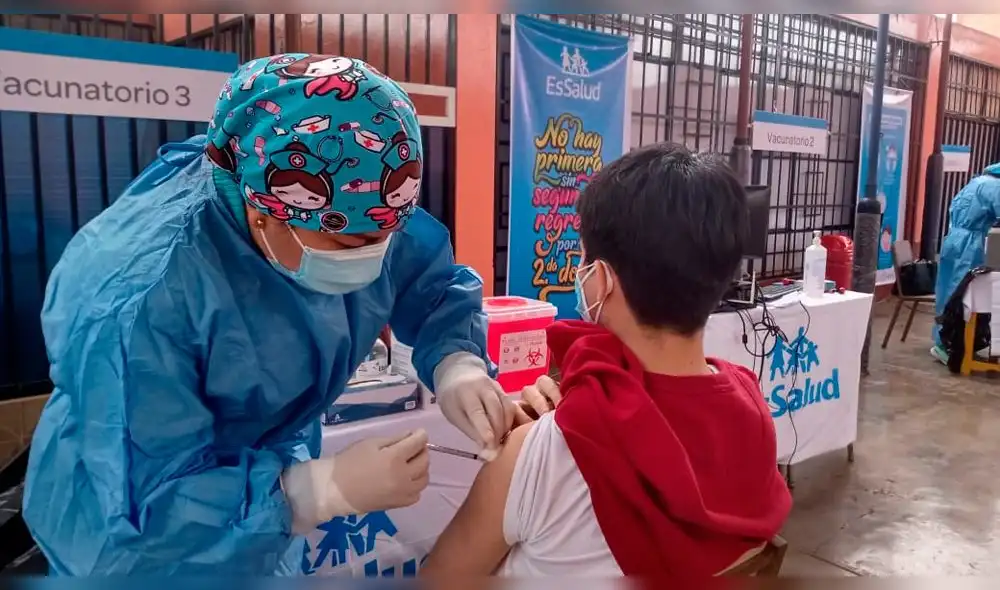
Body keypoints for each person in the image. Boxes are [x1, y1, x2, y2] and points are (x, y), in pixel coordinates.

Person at [22, 55, 511, 576]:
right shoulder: (139, 297)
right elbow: (140, 498)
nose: (374, 256)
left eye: (385, 235)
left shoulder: (355, 201)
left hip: (259, 516)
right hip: (133, 541)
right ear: (264, 214)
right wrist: (312, 492)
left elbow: (426, 281)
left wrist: (457, 364)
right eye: (352, 244)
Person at [422, 143, 793, 577]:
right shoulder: (752, 409)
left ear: (600, 280)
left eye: (582, 259)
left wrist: (544, 435)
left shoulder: (544, 452)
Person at [932, 162, 1000, 363]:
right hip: (971, 244)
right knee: (962, 293)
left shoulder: (975, 182)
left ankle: (944, 340)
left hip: (953, 239)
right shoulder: (995, 187)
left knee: (948, 292)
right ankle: (951, 345)